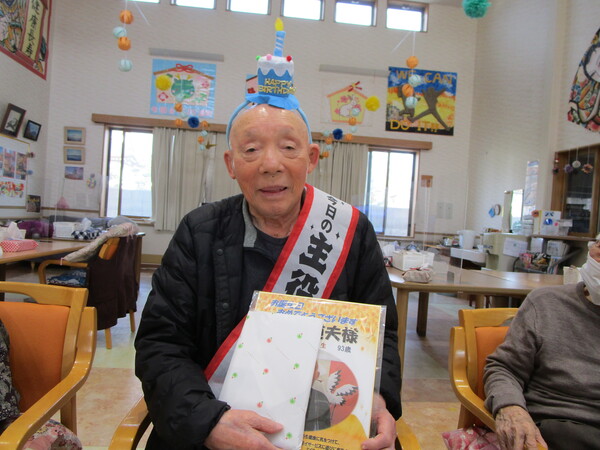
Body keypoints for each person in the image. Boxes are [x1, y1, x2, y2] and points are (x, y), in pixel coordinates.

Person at [135, 20, 401, 450]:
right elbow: (160, 345)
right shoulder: (198, 232)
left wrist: (378, 397)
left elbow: (381, 336)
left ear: (311, 158)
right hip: (217, 425)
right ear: (230, 163)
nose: (271, 164)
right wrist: (208, 422)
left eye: (289, 147)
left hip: (324, 428)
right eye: (251, 149)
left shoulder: (352, 231)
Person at [483, 239, 600, 450]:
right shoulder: (545, 303)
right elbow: (504, 368)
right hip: (559, 426)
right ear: (591, 248)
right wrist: (510, 406)